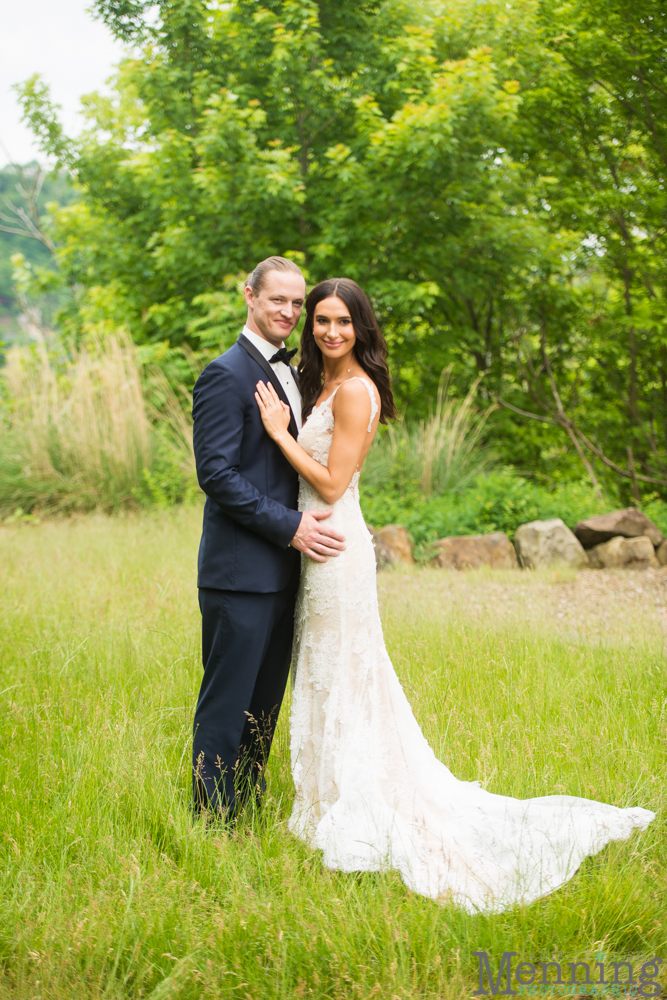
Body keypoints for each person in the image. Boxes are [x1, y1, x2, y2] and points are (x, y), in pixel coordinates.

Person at [254, 276, 655, 913]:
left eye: (343, 322)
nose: (331, 332)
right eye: (322, 321)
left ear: (362, 328)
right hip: (313, 548)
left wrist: (279, 434)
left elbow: (332, 485)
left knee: (347, 674)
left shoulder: (356, 391)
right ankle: (325, 801)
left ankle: (365, 808)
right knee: (327, 675)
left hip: (336, 549)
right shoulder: (316, 381)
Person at [191, 256, 345, 820]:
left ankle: (247, 813)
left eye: (296, 303)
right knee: (227, 705)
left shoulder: (295, 372)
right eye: (276, 299)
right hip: (240, 573)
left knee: (263, 707)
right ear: (249, 296)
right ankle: (210, 822)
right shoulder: (224, 373)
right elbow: (218, 476)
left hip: (285, 571)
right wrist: (292, 527)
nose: (288, 311)